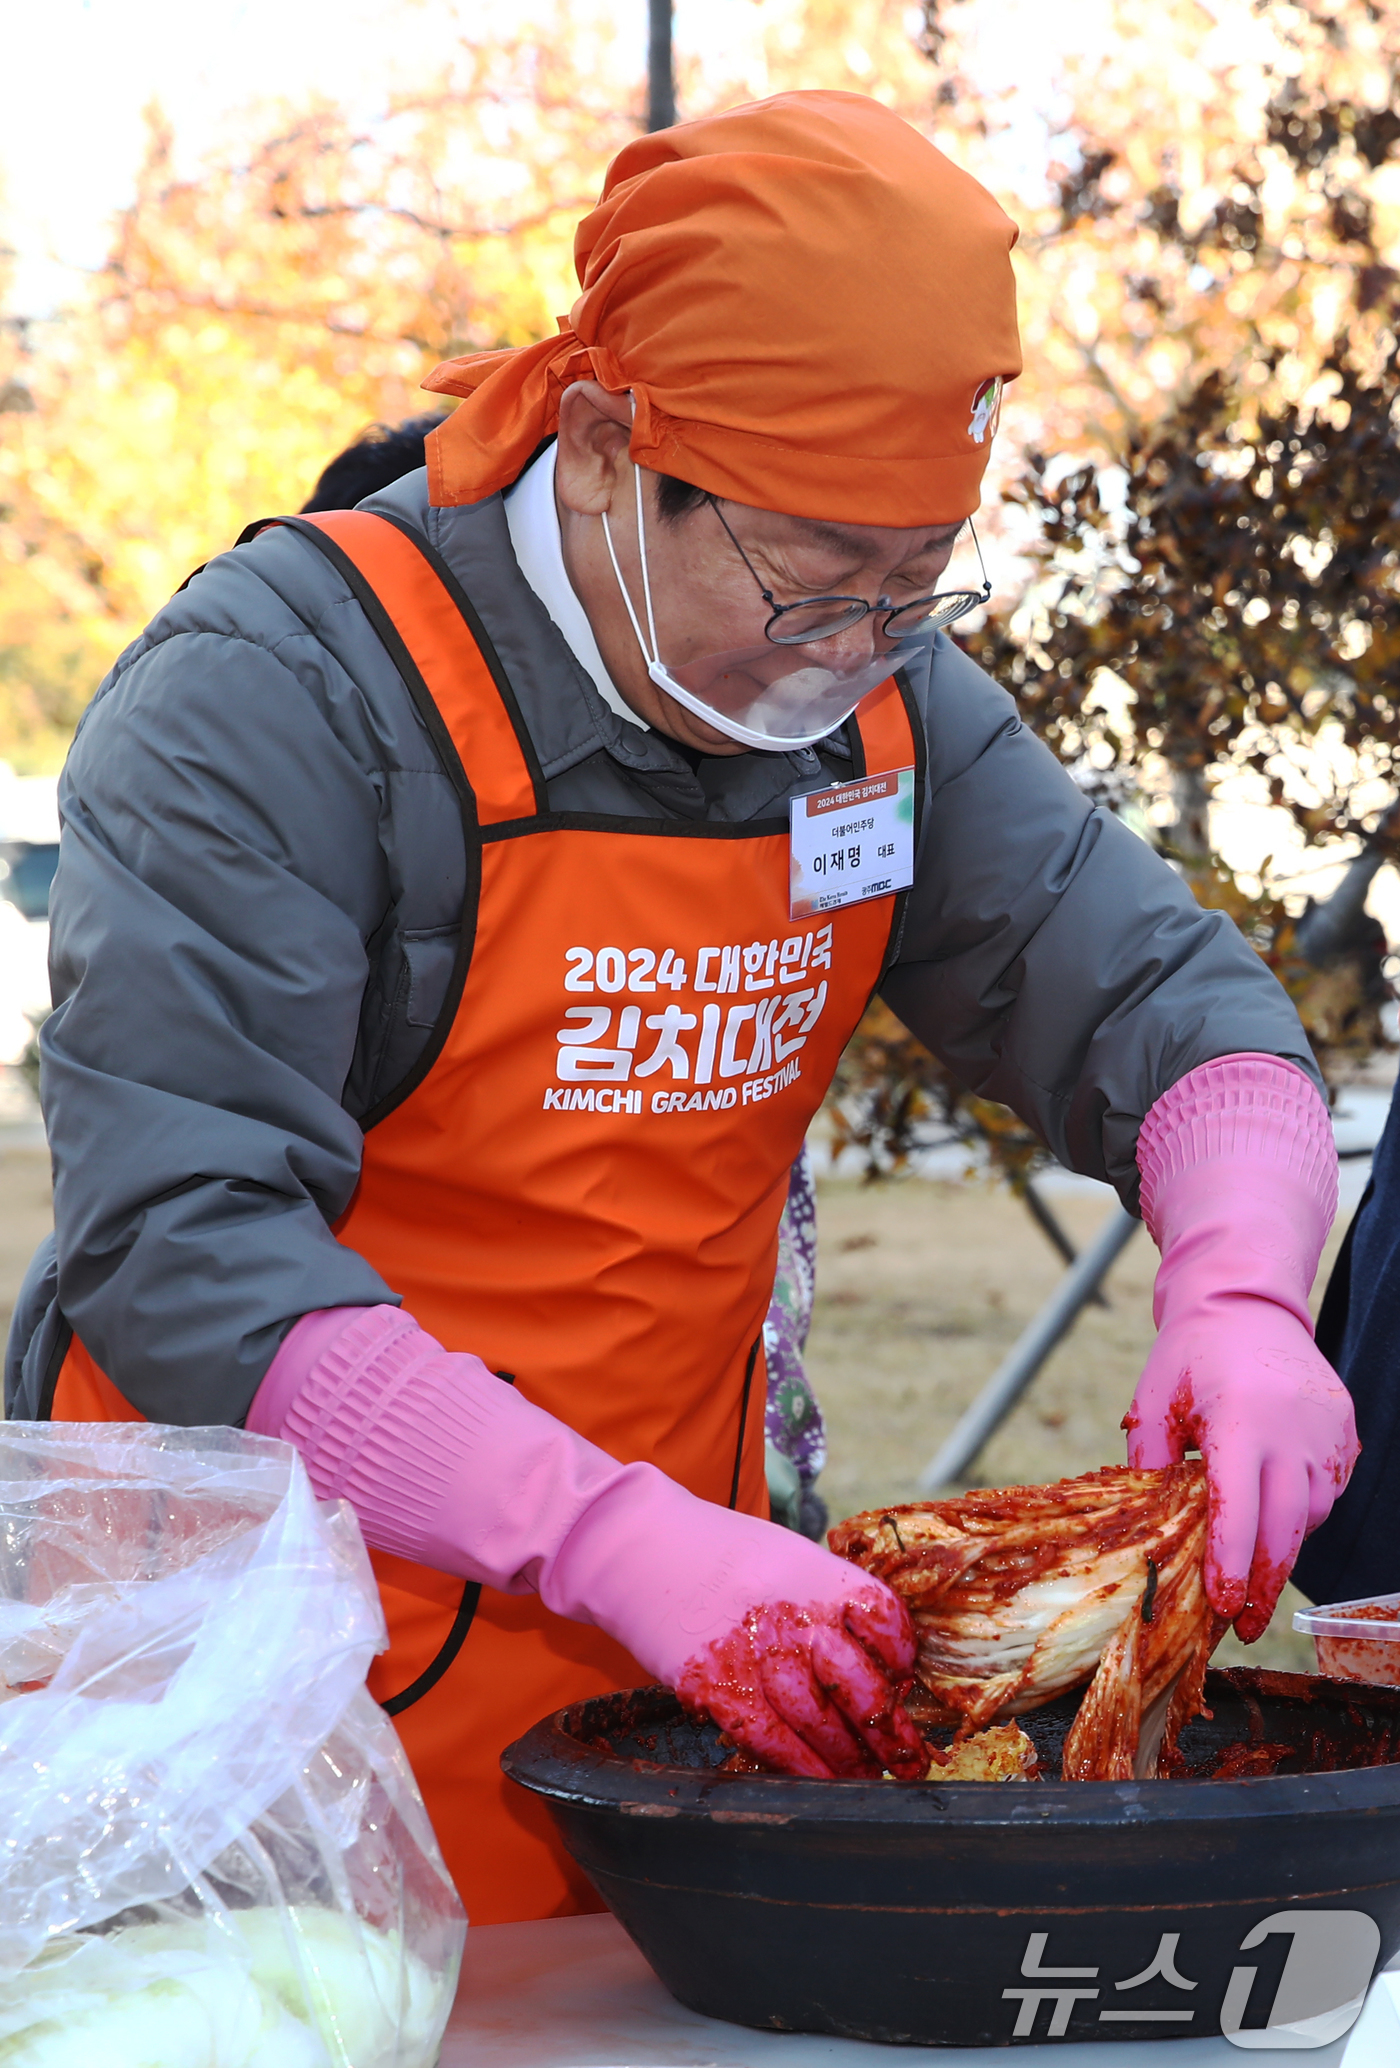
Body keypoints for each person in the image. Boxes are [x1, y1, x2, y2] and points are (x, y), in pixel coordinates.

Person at [5, 90, 1355, 1924]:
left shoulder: (882, 704)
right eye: (811, 583)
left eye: (915, 586)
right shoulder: (280, 698)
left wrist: (1248, 1289)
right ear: (604, 441)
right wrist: (598, 1530)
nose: (857, 650)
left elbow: (1169, 1005)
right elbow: (181, 1244)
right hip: (255, 1706)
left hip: (684, 1680)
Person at [305, 412, 833, 1537]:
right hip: (328, 1543)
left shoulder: (793, 720)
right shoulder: (300, 738)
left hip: (695, 1470)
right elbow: (192, 1222)